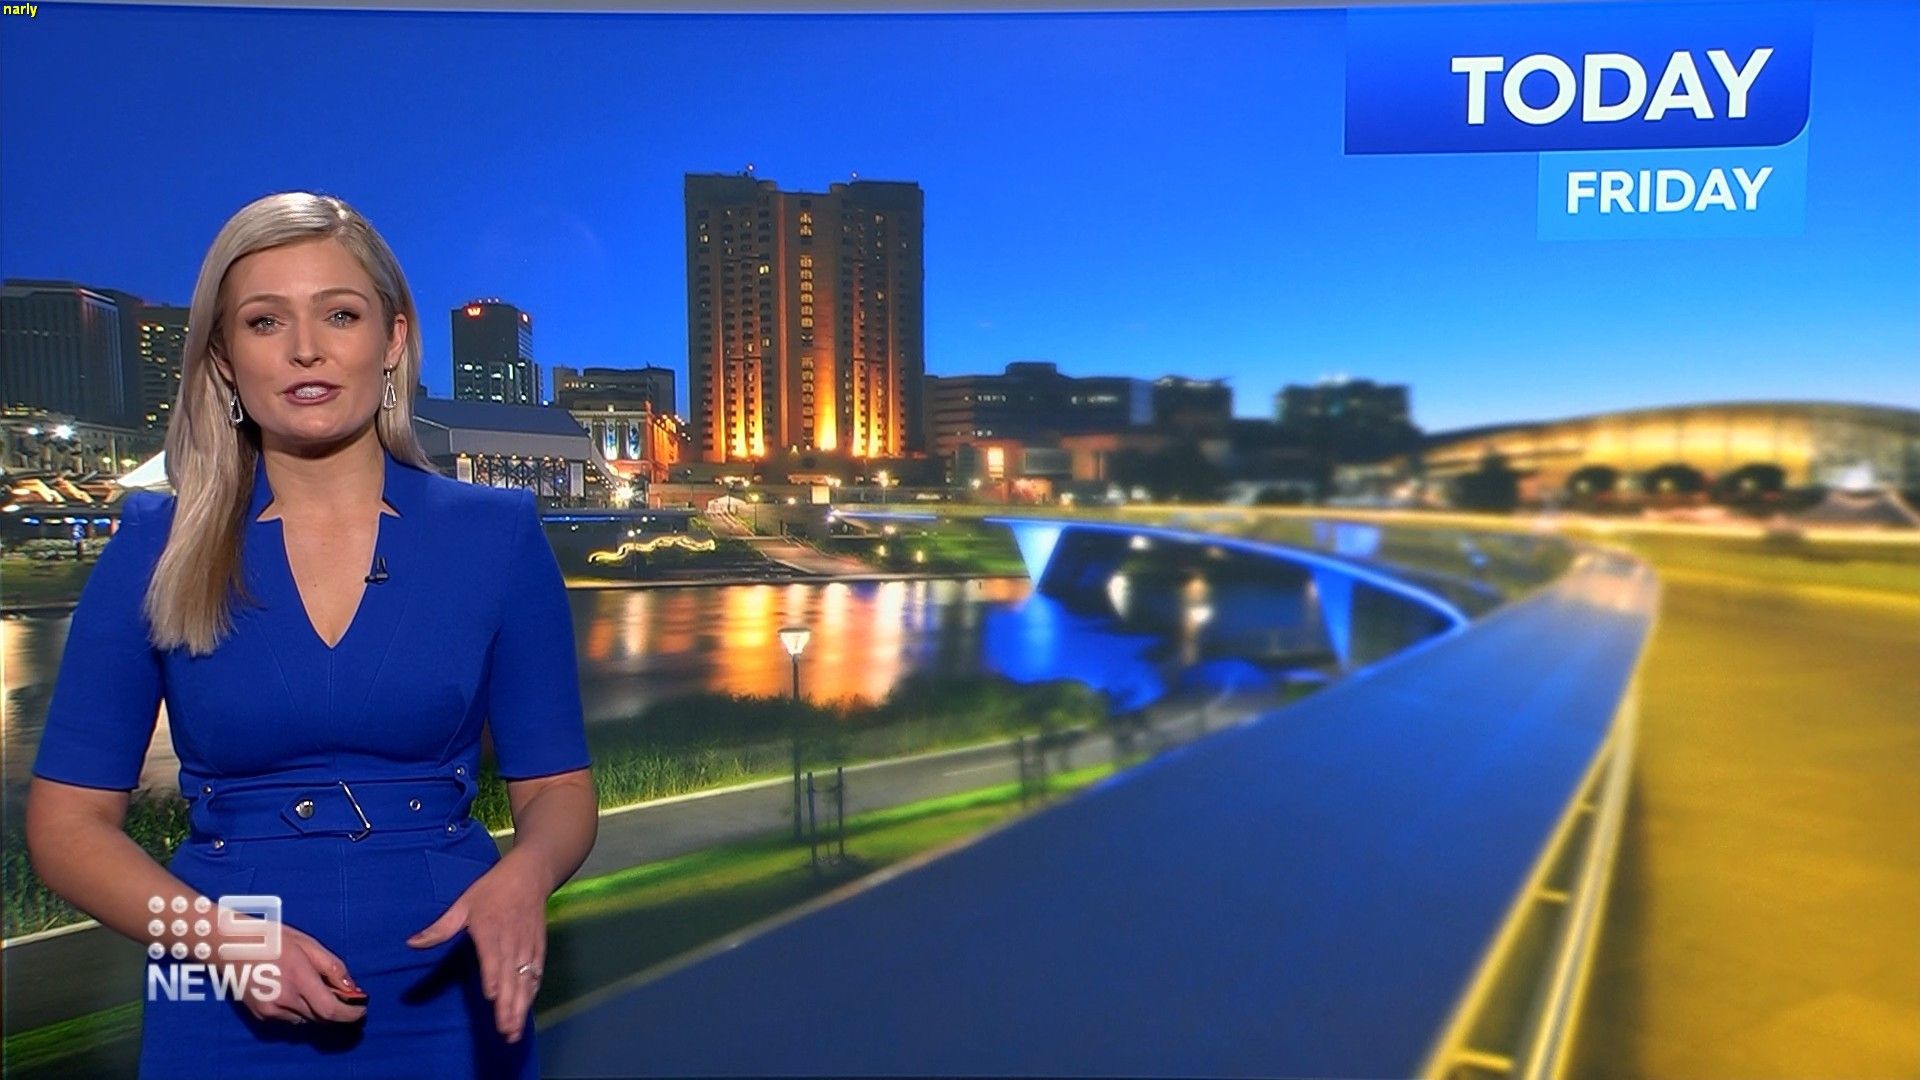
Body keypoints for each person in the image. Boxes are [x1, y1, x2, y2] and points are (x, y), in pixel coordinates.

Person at [24, 191, 598, 1079]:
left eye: (340, 314)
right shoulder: (153, 545)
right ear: (223, 358)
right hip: (216, 988)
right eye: (265, 321)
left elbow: (558, 789)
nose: (305, 348)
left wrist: (525, 878)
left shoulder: (497, 535)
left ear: (393, 340)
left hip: (449, 974)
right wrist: (217, 941)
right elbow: (65, 829)